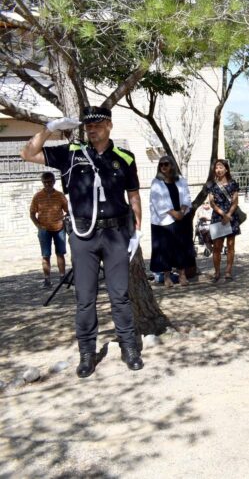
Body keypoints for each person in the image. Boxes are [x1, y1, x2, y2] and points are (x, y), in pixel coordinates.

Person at [21, 106, 144, 377]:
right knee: (85, 299)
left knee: (120, 297)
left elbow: (133, 194)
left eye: (97, 123)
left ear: (109, 125)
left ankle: (129, 348)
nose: (91, 128)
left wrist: (137, 229)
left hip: (115, 235)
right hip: (83, 237)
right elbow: (27, 153)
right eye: (88, 124)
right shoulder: (72, 154)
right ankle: (87, 354)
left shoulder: (124, 157)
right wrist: (49, 128)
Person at [149, 155, 192, 288]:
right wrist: (174, 213)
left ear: (172, 165)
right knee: (164, 249)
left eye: (166, 164)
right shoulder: (156, 183)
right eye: (161, 165)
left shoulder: (181, 181)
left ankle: (182, 275)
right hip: (163, 221)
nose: (163, 167)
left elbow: (186, 196)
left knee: (181, 247)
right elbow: (157, 202)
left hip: (181, 218)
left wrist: (182, 211)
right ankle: (167, 277)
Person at [29, 171, 68, 288]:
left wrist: (64, 221)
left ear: (54, 182)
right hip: (44, 230)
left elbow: (68, 211)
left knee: (60, 254)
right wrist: (38, 226)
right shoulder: (37, 196)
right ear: (42, 182)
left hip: (59, 228)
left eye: (49, 182)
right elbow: (32, 213)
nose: (47, 184)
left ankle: (62, 278)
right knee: (45, 255)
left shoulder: (60, 195)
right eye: (45, 182)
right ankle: (47, 280)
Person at [207, 159, 240, 283]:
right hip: (217, 218)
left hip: (231, 217)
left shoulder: (233, 184)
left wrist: (229, 214)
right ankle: (217, 272)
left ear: (226, 169)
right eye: (216, 168)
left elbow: (235, 201)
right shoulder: (211, 185)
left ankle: (228, 271)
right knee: (217, 247)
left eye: (221, 167)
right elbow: (212, 202)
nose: (218, 170)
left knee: (231, 246)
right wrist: (223, 214)